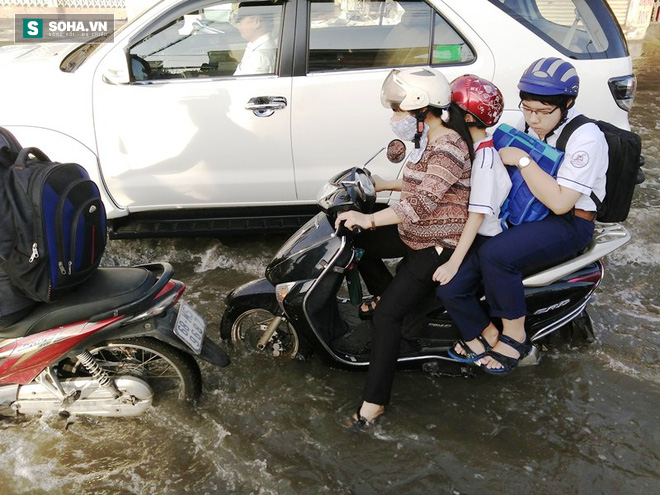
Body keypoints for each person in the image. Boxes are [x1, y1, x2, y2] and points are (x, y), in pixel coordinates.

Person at [442, 57, 608, 374]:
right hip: (524, 213)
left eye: (543, 112)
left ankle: (515, 336)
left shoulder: (586, 137)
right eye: (527, 108)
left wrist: (522, 159)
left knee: (495, 255)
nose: (533, 119)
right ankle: (485, 333)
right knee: (452, 283)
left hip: (569, 222)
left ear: (568, 103)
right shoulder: (525, 124)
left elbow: (561, 202)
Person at [336, 67, 473, 427]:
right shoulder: (428, 138)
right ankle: (390, 294)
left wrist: (369, 217)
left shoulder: (449, 147)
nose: (394, 117)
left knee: (386, 317)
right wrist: (384, 184)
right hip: (414, 231)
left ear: (418, 109)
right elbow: (418, 185)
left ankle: (374, 403)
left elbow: (423, 202)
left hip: (437, 243)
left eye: (397, 109)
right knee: (358, 239)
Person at [433, 75, 511, 361]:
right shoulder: (471, 149)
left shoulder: (485, 161)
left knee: (450, 291)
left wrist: (454, 263)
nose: (444, 116)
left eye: (449, 111)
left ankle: (486, 335)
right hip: (472, 234)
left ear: (466, 117)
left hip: (484, 240)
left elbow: (476, 218)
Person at [233, 4, 278, 76]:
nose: (238, 25)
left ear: (256, 22)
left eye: (241, 20)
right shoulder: (256, 47)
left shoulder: (260, 56)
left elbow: (247, 86)